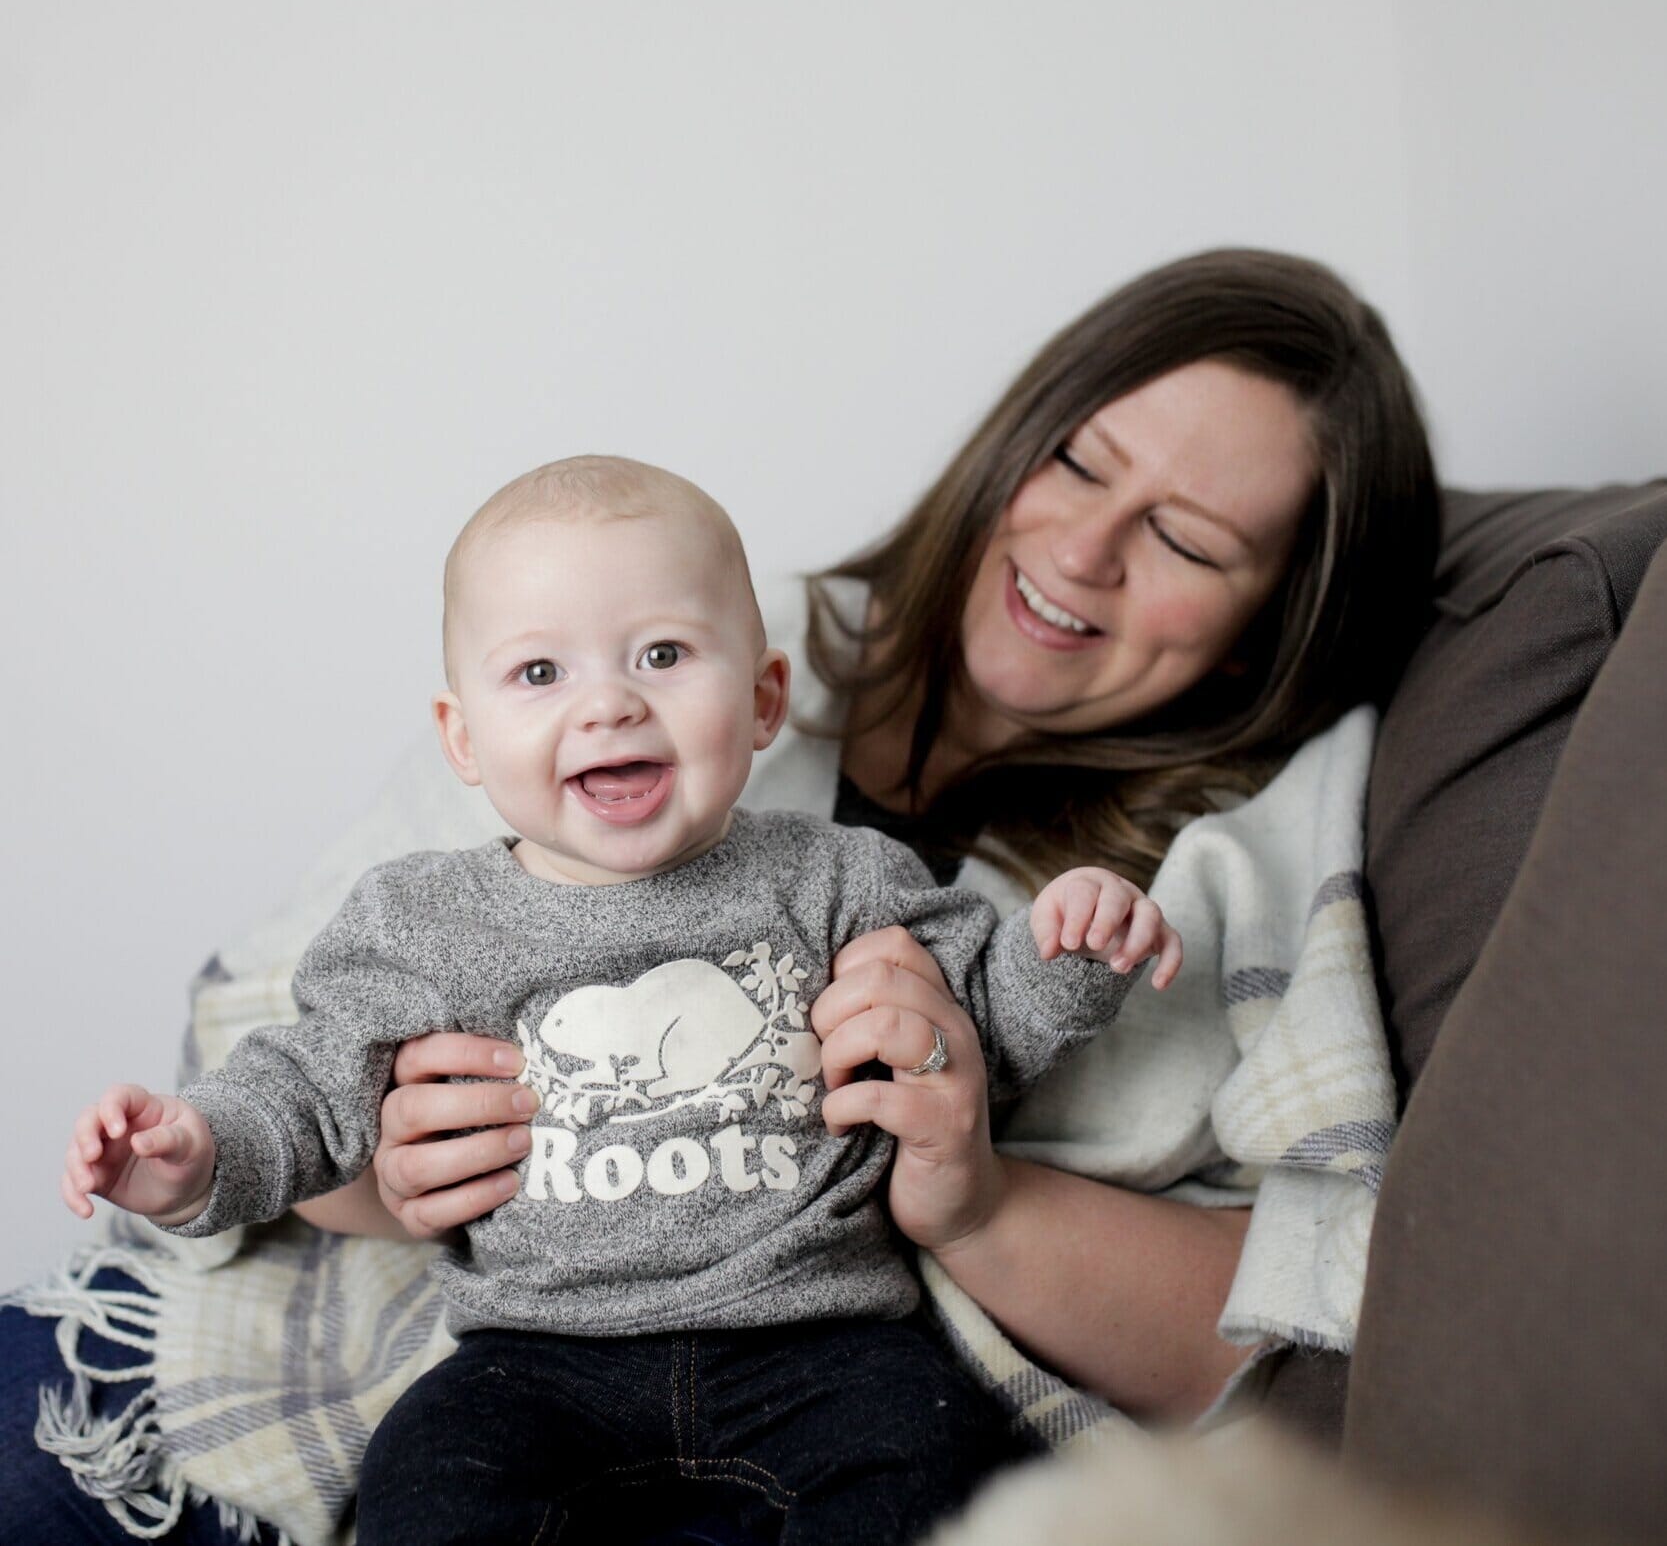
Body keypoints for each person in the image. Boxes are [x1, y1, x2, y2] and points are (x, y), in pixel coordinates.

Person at [3, 247, 1439, 1545]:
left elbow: (1048, 1048)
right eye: (1074, 459)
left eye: (1187, 539)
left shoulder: (893, 870)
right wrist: (369, 1175)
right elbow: (278, 1067)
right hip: (508, 1336)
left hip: (820, 1344)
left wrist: (1019, 1074)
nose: (1078, 551)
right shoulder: (603, 639)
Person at [61, 457, 1183, 1546]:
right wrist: (198, 1155)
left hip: (818, 1332)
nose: (607, 704)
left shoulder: (839, 878)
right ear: (462, 736)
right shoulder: (421, 919)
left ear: (760, 700)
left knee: (938, 1458)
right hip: (537, 1352)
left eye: (660, 653)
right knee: (424, 1484)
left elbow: (979, 1025)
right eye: (540, 673)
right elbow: (306, 1091)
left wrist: (1071, 951)